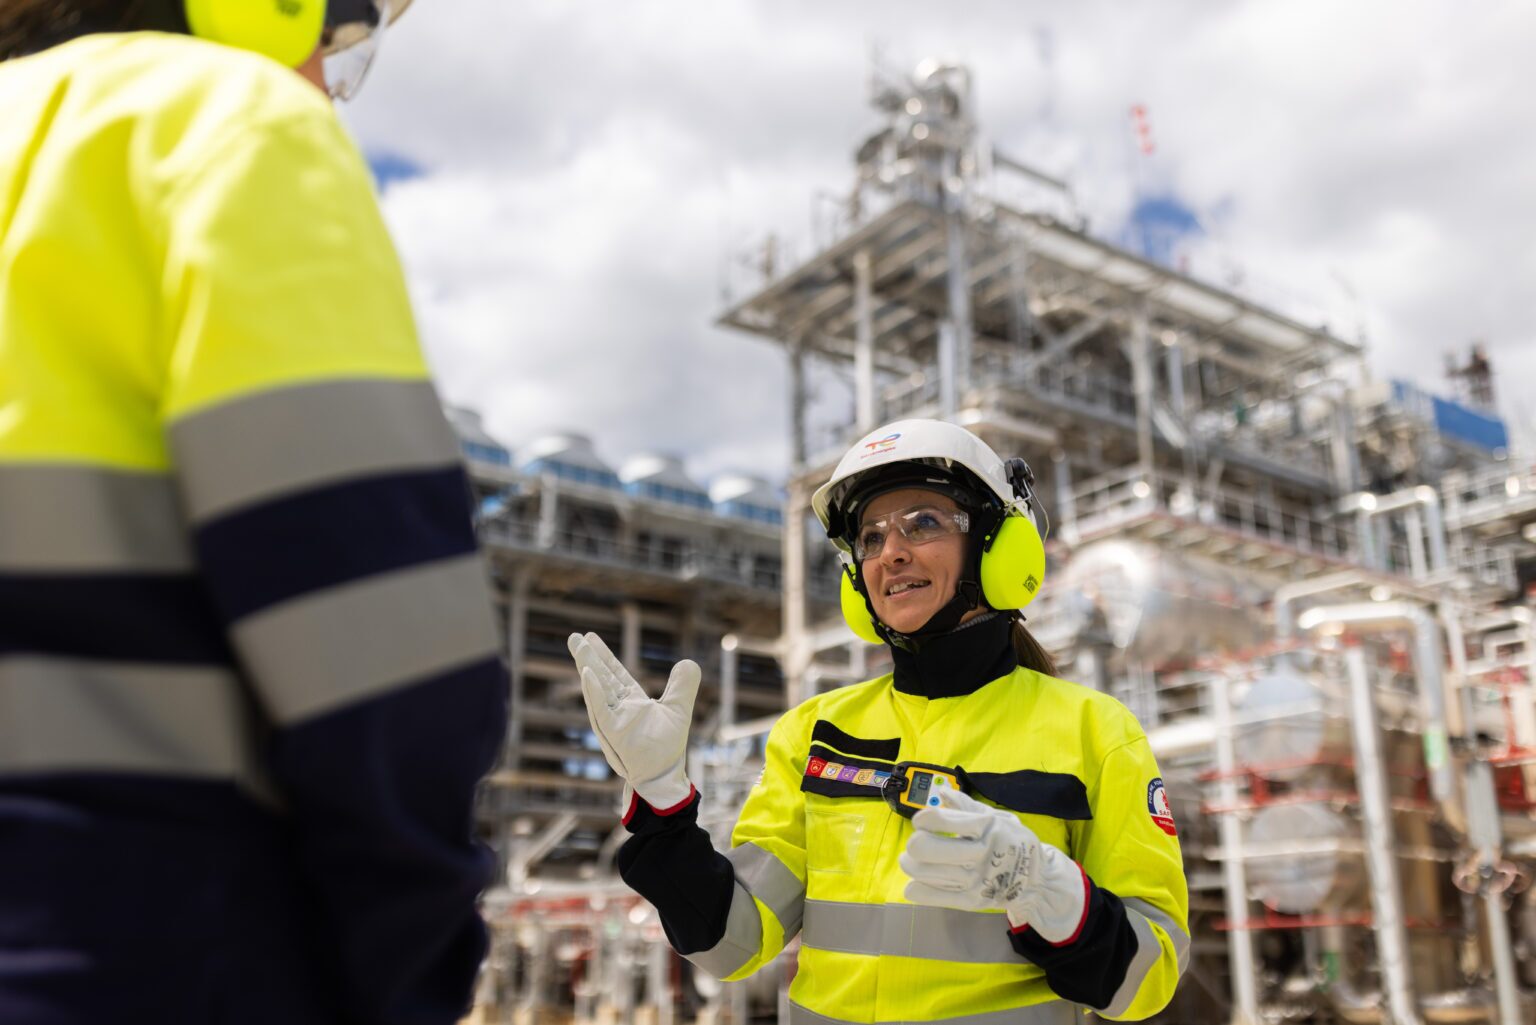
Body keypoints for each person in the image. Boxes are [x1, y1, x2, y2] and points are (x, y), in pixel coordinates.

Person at [0, 3, 508, 1023]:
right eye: (345, 33)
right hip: (131, 947)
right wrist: (405, 975)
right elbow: (381, 658)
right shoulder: (214, 124)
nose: (328, 77)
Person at [568, 418, 1188, 1023]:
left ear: (998, 546)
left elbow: (1149, 981)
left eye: (924, 522)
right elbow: (732, 943)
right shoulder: (816, 731)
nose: (891, 553)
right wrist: (662, 807)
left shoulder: (1095, 732)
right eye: (870, 537)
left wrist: (1058, 898)